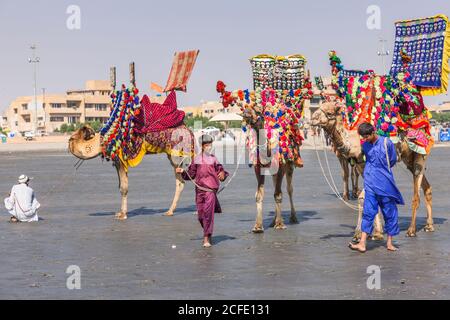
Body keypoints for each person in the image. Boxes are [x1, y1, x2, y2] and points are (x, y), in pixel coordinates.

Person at [349, 123, 404, 253]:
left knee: (389, 212)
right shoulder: (365, 145)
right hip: (370, 183)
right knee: (368, 212)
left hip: (385, 184)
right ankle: (362, 243)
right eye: (363, 137)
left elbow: (392, 160)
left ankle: (389, 243)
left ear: (373, 132)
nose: (365, 139)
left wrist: (381, 170)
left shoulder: (386, 143)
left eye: (367, 136)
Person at [176, 134, 229, 248]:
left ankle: (206, 238)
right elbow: (191, 174)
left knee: (208, 213)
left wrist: (223, 175)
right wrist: (182, 172)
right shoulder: (197, 159)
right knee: (200, 215)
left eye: (210, 145)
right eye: (207, 145)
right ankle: (208, 232)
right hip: (199, 190)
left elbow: (221, 171)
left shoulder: (214, 159)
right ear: (202, 146)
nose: (209, 147)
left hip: (210, 190)